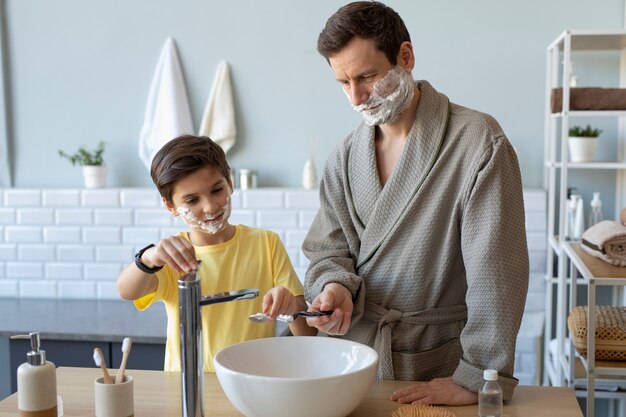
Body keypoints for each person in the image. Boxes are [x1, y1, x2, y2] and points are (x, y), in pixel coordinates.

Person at [302, 1, 529, 406]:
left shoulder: (478, 142)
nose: (356, 96)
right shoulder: (344, 156)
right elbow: (327, 250)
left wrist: (475, 377)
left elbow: (497, 274)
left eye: (367, 76)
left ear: (405, 57)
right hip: (353, 361)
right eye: (343, 82)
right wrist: (334, 287)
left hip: (439, 364)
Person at [117, 135, 316, 372]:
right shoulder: (172, 256)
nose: (210, 206)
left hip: (252, 382)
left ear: (230, 183)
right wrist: (149, 257)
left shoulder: (267, 243)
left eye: (216, 190)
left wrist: (292, 306)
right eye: (192, 200)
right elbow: (127, 291)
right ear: (170, 206)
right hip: (186, 386)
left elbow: (308, 331)